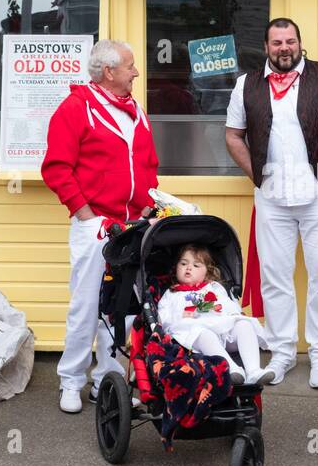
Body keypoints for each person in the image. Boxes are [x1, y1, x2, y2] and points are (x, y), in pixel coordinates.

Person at [225, 18, 318, 388]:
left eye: (290, 41)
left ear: (300, 43)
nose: (284, 48)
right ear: (266, 46)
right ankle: (283, 352)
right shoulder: (246, 85)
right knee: (274, 277)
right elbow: (233, 136)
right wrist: (256, 173)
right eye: (276, 42)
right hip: (271, 196)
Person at [42, 39, 159, 414]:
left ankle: (107, 382)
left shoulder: (134, 110)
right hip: (96, 224)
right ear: (109, 71)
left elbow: (148, 165)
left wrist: (149, 207)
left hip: (133, 224)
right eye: (130, 66)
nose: (136, 72)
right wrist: (85, 212)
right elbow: (57, 167)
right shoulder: (76, 108)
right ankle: (71, 381)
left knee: (123, 307)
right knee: (87, 303)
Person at [156, 245, 273, 387]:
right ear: (176, 268)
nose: (188, 268)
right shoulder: (171, 293)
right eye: (183, 263)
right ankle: (231, 369)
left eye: (196, 265)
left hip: (221, 328)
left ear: (207, 271)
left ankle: (253, 370)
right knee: (204, 334)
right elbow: (164, 319)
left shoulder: (213, 287)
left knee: (243, 324)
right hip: (192, 335)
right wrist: (181, 316)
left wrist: (221, 310)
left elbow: (229, 306)